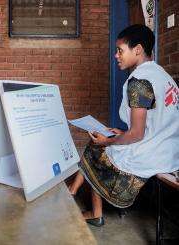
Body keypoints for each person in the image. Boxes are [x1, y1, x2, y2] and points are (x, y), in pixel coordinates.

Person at [68, 24, 179, 227]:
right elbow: (155, 123)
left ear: (137, 49)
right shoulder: (163, 76)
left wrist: (108, 141)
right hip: (170, 151)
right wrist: (121, 133)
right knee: (104, 141)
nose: (116, 55)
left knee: (97, 147)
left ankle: (90, 209)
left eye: (120, 50)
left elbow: (136, 134)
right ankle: (75, 196)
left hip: (151, 154)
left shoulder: (139, 81)